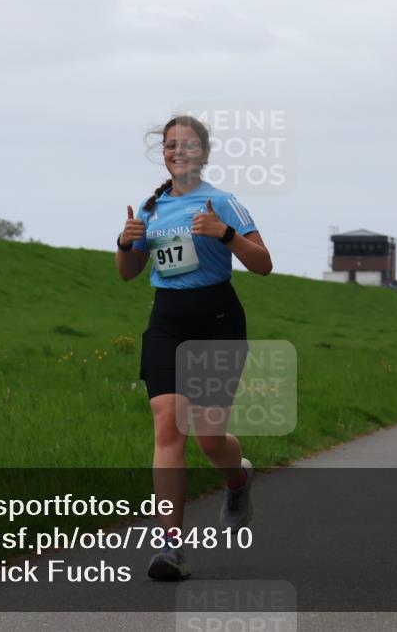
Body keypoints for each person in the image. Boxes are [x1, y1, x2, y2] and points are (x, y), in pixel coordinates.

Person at [117, 115, 273, 579]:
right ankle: (171, 548)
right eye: (170, 145)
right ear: (162, 153)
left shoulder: (223, 202)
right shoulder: (151, 206)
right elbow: (128, 273)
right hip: (167, 320)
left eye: (187, 145)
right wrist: (125, 244)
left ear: (203, 154)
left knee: (208, 437)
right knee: (168, 423)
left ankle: (237, 478)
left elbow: (263, 264)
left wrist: (224, 234)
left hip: (217, 320)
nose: (177, 152)